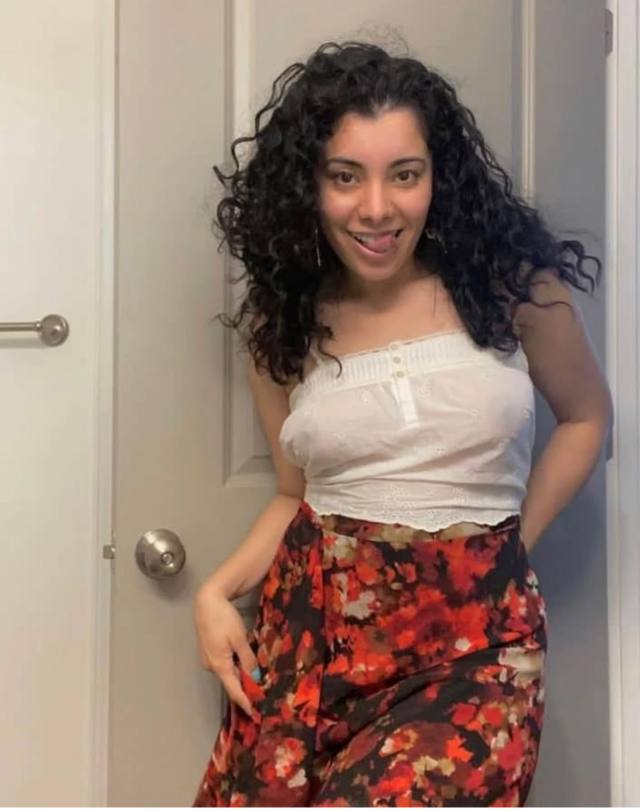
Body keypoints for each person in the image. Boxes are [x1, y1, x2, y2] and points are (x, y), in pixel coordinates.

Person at [191, 38, 613, 807]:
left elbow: (587, 417)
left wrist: (506, 547)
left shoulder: (513, 288)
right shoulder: (285, 324)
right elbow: (294, 493)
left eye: (405, 175)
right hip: (314, 639)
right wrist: (215, 592)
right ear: (308, 185)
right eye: (345, 176)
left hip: (479, 644)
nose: (377, 208)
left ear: (437, 179)